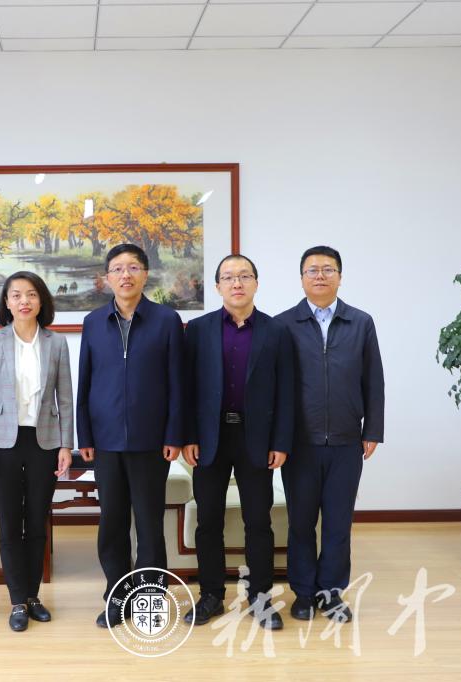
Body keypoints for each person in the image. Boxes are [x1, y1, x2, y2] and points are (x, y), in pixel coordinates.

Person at [182, 254, 294, 630]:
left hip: (256, 439)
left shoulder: (276, 331)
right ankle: (211, 595)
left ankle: (260, 598)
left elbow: (286, 391)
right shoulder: (198, 330)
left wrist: (281, 441)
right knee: (208, 521)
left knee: (258, 521)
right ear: (217, 287)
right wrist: (188, 436)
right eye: (228, 277)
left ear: (256, 283)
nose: (237, 283)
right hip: (209, 438)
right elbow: (186, 389)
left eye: (244, 276)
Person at [76, 243, 184, 628]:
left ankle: (150, 598)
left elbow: (178, 383)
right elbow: (85, 382)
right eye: (118, 269)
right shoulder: (93, 322)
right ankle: (117, 596)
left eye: (133, 267)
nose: (126, 275)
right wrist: (85, 436)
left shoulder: (166, 320)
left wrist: (174, 433)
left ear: (145, 274)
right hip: (105, 441)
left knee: (150, 523)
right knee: (113, 522)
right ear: (107, 278)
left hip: (151, 440)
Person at [276, 245, 384, 623]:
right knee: (301, 523)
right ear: (301, 278)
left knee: (338, 524)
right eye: (312, 270)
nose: (320, 276)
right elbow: (275, 387)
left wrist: (372, 429)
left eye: (328, 269)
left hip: (346, 441)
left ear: (340, 276)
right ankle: (304, 593)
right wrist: (278, 438)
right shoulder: (283, 325)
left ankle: (331, 593)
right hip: (299, 443)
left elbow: (374, 380)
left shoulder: (361, 322)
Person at [0, 271, 74, 632]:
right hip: (3, 443)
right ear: (7, 303)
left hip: (45, 442)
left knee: (37, 521)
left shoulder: (56, 343)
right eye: (16, 295)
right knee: (10, 523)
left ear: (41, 301)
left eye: (31, 294)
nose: (24, 301)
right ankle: (17, 600)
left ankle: (33, 596)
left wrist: (66, 445)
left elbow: (65, 398)